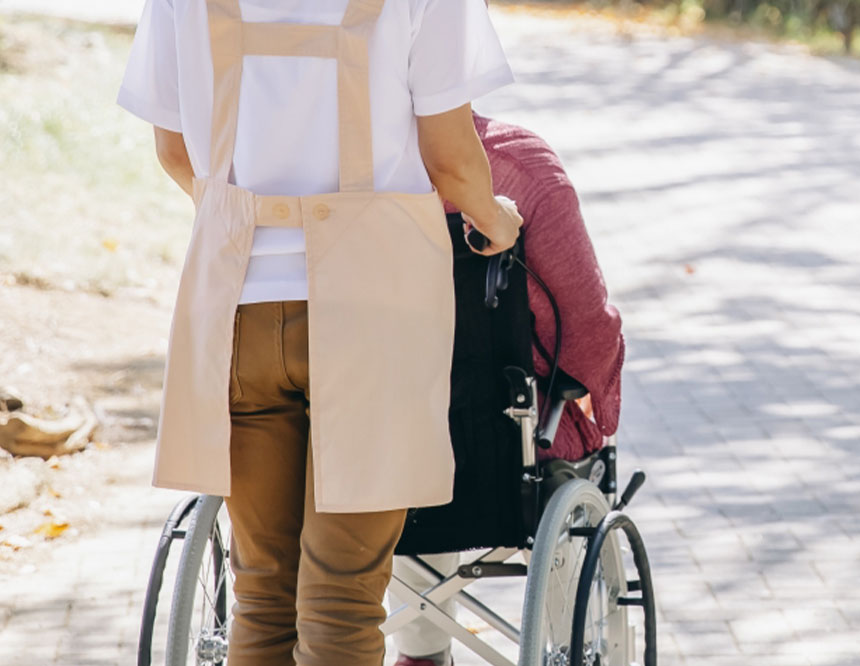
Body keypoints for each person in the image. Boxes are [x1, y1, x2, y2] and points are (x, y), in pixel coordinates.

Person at [117, 1, 522, 663]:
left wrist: (250, 222)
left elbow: (171, 148)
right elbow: (451, 158)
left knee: (263, 596)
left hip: (238, 309)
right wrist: (498, 220)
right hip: (375, 310)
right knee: (341, 601)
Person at [390, 111, 625, 666]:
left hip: (368, 441)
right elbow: (587, 332)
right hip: (498, 453)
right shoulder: (519, 166)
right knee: (550, 443)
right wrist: (598, 404)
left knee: (401, 433)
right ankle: (567, 643)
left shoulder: (331, 165)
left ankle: (419, 652)